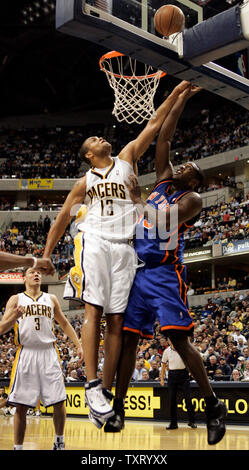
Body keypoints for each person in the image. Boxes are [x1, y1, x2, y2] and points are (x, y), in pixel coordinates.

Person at [42, 80, 191, 427]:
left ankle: (104, 397)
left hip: (125, 248)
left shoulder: (126, 158)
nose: (99, 139)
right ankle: (92, 384)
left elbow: (154, 124)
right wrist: (47, 253)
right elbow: (63, 218)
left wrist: (179, 89)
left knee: (118, 322)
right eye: (93, 141)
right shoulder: (85, 182)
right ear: (89, 155)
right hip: (94, 239)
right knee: (93, 308)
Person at [105, 84, 227, 446]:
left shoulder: (193, 198)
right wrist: (181, 98)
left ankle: (213, 406)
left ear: (194, 179)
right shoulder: (163, 181)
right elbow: (165, 139)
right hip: (137, 273)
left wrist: (136, 199)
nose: (184, 163)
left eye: (191, 166)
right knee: (128, 340)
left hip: (164, 274)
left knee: (177, 338)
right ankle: (121, 407)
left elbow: (162, 222)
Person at [4, 266, 83, 450]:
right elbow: (2, 328)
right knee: (21, 406)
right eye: (32, 272)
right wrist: (15, 315)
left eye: (38, 272)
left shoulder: (51, 299)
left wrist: (78, 344)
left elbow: (63, 322)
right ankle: (18, 447)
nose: (36, 274)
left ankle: (59, 441)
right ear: (24, 278)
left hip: (49, 352)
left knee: (59, 400)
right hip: (27, 352)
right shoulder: (16, 299)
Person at [160, 339, 196, 429]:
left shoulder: (183, 349)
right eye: (170, 340)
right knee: (172, 400)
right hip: (172, 375)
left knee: (188, 398)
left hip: (183, 374)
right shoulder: (166, 351)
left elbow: (189, 361)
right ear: (169, 342)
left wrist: (192, 371)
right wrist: (162, 378)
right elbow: (163, 365)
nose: (172, 341)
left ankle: (192, 421)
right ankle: (173, 423)